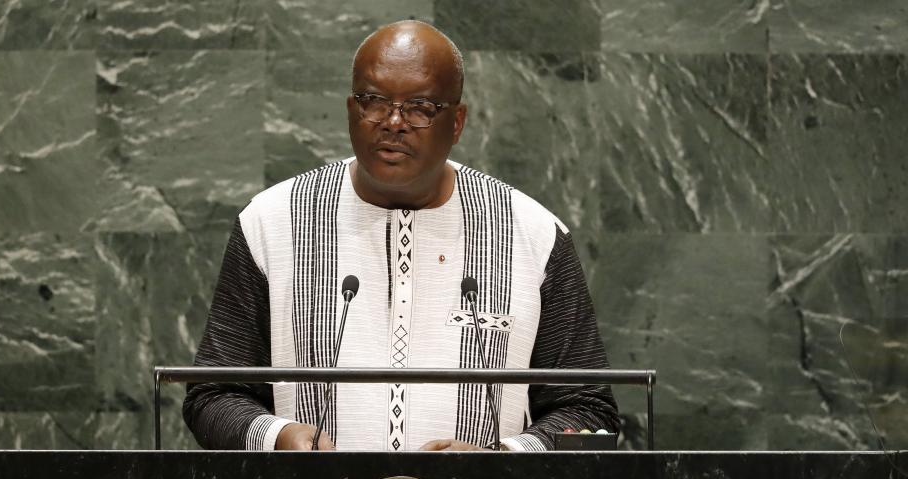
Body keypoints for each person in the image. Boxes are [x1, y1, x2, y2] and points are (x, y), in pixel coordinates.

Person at [182, 20, 619, 452]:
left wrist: (500, 460)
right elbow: (213, 395)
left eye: (420, 107)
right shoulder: (272, 223)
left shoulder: (533, 235)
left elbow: (588, 412)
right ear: (350, 110)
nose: (393, 122)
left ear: (457, 122)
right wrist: (277, 437)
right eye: (374, 102)